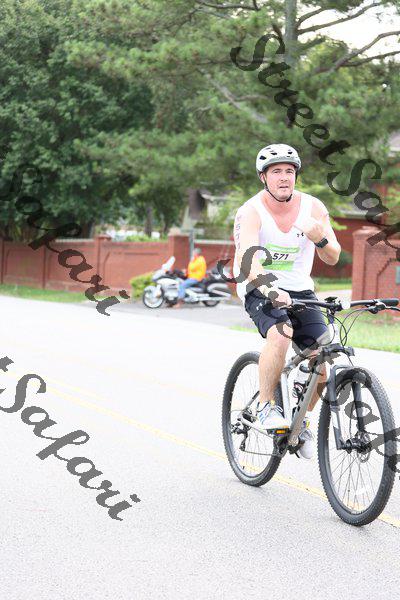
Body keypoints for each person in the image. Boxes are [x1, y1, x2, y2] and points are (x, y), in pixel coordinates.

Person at [233, 143, 341, 458]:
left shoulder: (313, 208)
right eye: (276, 171)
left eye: (290, 171)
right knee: (280, 334)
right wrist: (269, 290)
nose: (284, 177)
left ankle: (300, 420)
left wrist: (319, 237)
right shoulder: (251, 211)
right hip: (258, 284)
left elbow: (333, 256)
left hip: (300, 289)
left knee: (321, 360)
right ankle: (266, 405)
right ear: (263, 177)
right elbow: (247, 257)